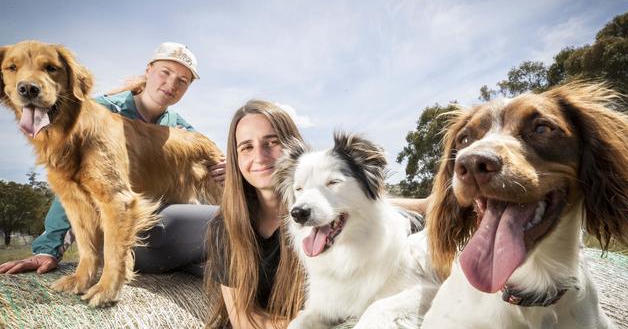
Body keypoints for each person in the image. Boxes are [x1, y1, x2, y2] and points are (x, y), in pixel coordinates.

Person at [0, 42, 225, 277]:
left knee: (230, 230)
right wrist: (48, 250)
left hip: (164, 228)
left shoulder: (180, 129)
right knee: (224, 224)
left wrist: (229, 167)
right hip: (128, 236)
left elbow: (212, 159)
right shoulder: (99, 113)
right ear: (149, 70)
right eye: (165, 73)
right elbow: (69, 186)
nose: (171, 84)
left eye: (183, 80)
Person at [203, 100, 430, 329]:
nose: (260, 157)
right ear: (236, 158)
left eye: (271, 142)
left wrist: (423, 206)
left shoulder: (329, 208)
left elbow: (366, 201)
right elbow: (243, 321)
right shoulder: (228, 227)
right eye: (246, 148)